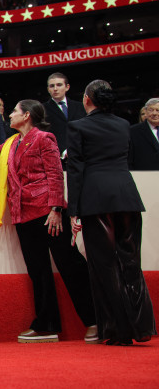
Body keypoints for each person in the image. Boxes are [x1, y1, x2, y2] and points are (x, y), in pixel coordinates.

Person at [0, 99, 97, 343]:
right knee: (38, 272)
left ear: (26, 116)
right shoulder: (11, 143)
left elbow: (55, 174)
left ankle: (95, 320)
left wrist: (56, 208)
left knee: (71, 266)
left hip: (49, 213)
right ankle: (47, 325)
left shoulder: (44, 138)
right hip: (23, 214)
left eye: (14, 111)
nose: (10, 115)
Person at [68, 80, 156, 346]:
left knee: (104, 266)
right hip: (127, 196)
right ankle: (141, 328)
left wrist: (74, 210)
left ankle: (119, 331)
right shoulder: (123, 125)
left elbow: (76, 170)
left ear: (86, 100)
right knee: (131, 263)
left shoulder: (78, 126)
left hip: (97, 201)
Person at [43, 72, 86, 164]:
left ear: (67, 87)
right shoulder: (42, 109)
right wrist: (63, 150)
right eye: (52, 86)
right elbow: (44, 135)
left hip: (82, 157)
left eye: (59, 85)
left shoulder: (80, 107)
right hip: (56, 160)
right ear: (48, 89)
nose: (55, 89)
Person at [129, 98, 159, 170]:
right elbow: (129, 159)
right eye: (151, 110)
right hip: (144, 176)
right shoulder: (133, 131)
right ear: (146, 112)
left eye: (158, 110)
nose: (154, 113)